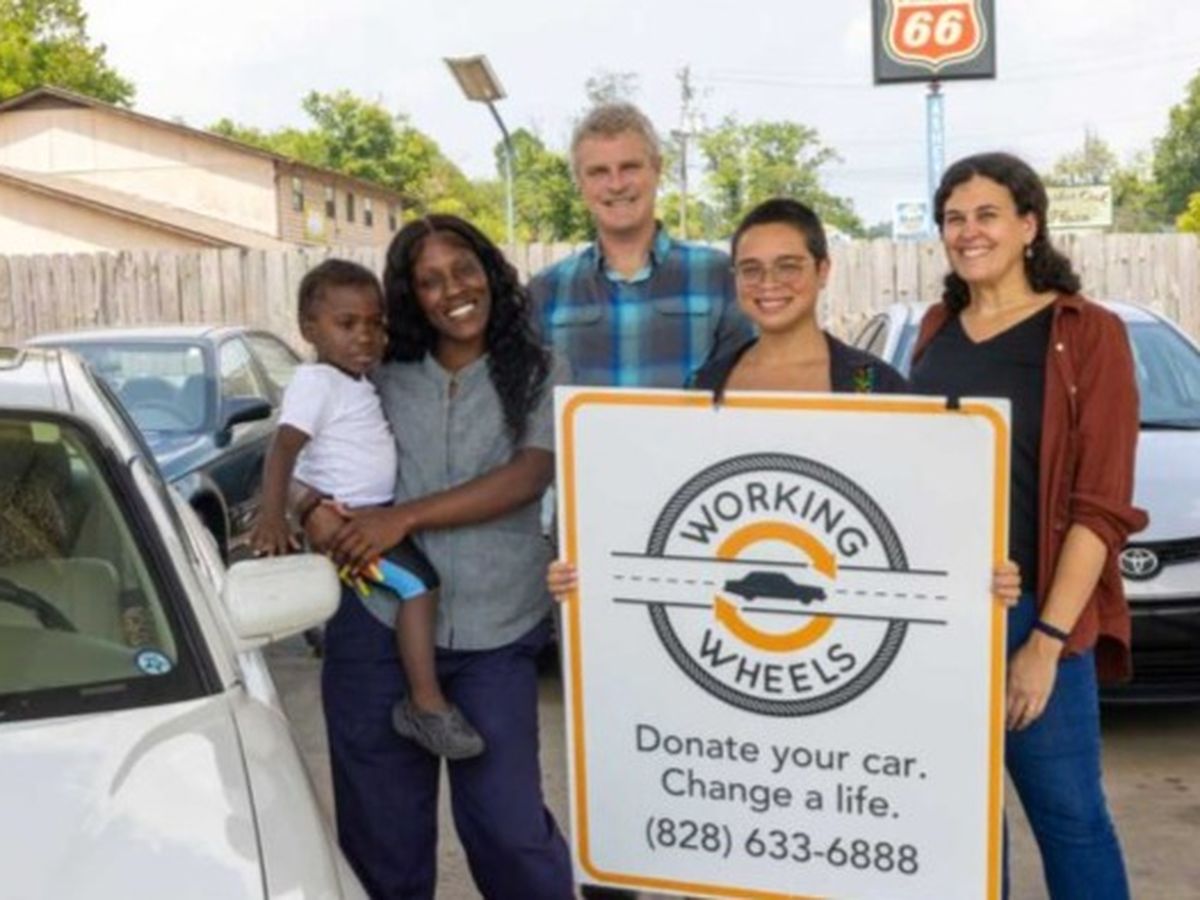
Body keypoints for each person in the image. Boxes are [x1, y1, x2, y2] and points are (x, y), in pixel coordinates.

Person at [549, 195, 1020, 598]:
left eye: (788, 266)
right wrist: (591, 568)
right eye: (751, 270)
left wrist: (978, 573)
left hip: (851, 616)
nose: (769, 283)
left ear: (823, 270)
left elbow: (925, 513)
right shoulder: (705, 387)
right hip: (726, 625)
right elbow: (668, 514)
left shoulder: (873, 385)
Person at [298, 217, 573, 899]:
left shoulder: (540, 368)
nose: (453, 289)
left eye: (464, 270)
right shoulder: (376, 373)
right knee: (382, 839)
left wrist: (406, 516)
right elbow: (299, 453)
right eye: (429, 280)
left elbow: (530, 473)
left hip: (496, 629)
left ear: (490, 271)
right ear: (410, 296)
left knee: (509, 830)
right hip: (376, 621)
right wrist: (310, 509)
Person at [909, 151, 1146, 898]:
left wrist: (1045, 643)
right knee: (966, 823)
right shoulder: (937, 327)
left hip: (1038, 616)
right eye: (954, 218)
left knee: (1072, 821)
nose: (968, 232)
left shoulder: (1088, 332)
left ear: (1029, 225)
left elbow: (1100, 505)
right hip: (942, 617)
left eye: (987, 215)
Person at [250, 259, 484, 760]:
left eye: (375, 324)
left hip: (372, 517)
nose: (365, 337)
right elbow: (282, 449)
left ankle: (423, 699)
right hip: (350, 526)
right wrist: (276, 516)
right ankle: (425, 704)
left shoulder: (353, 381)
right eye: (347, 324)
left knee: (414, 584)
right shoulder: (317, 383)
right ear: (309, 329)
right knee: (418, 586)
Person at [529, 101, 752, 389]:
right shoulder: (545, 291)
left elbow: (749, 389)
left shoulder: (720, 277)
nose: (616, 184)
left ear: (658, 169)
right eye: (598, 172)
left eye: (629, 167)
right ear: (579, 183)